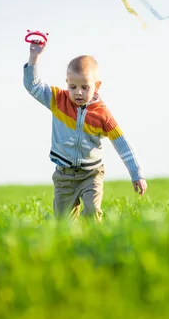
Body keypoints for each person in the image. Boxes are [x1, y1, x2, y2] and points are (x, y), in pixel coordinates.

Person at [23, 39, 147, 220]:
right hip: (64, 176)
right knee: (63, 222)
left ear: (97, 86)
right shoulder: (58, 100)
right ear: (67, 82)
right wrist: (34, 56)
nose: (78, 92)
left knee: (92, 212)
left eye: (85, 87)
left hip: (91, 175)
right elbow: (32, 86)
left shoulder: (102, 114)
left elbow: (122, 144)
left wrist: (137, 174)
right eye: (72, 87)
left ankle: (93, 243)